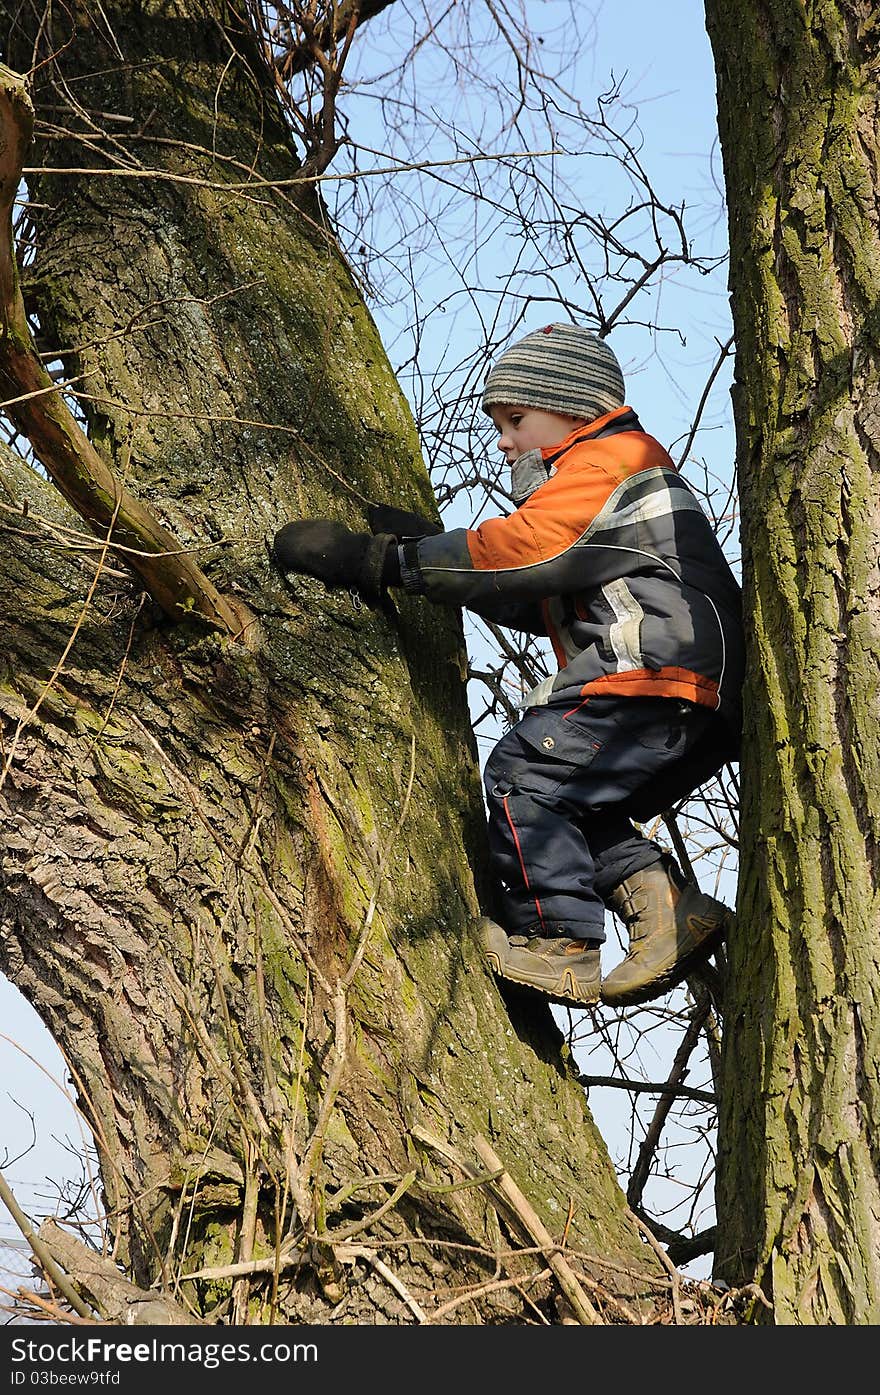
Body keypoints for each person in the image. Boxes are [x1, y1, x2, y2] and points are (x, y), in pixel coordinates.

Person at [271, 322, 744, 1010]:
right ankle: (667, 910)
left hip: (650, 670)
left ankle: (560, 945)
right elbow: (541, 590)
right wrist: (426, 550)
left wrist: (384, 561)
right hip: (690, 690)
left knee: (525, 773)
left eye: (516, 420)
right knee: (569, 805)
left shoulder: (609, 461)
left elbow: (522, 552)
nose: (504, 442)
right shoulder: (619, 479)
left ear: (576, 407)